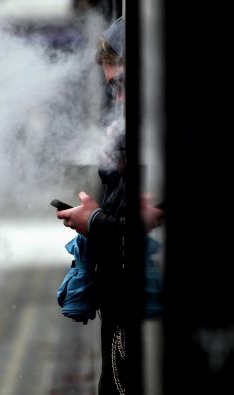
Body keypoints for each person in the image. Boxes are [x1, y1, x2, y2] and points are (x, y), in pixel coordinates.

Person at [56, 17, 163, 394]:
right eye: (112, 90)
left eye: (122, 87)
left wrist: (95, 221)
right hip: (121, 310)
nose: (118, 101)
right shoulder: (139, 140)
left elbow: (143, 229)